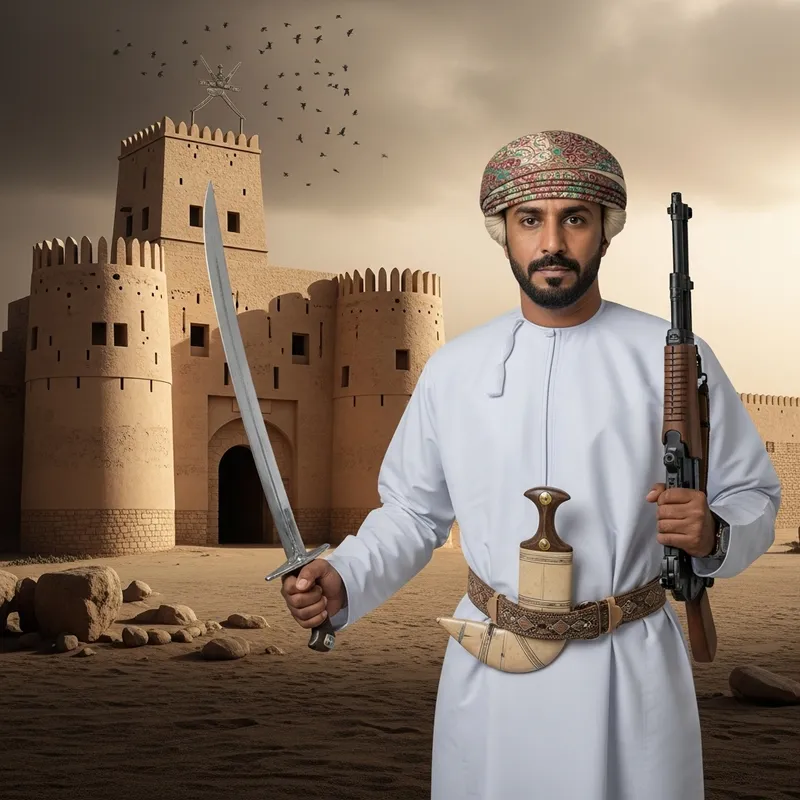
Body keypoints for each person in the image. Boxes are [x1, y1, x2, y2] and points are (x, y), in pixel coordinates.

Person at [280, 130, 781, 799]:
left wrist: (714, 532)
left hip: (628, 671)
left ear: (605, 231)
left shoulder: (670, 357)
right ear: (503, 234)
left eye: (574, 219)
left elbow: (752, 494)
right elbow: (412, 513)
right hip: (492, 675)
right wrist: (345, 577)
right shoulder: (456, 369)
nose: (552, 243)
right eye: (529, 220)